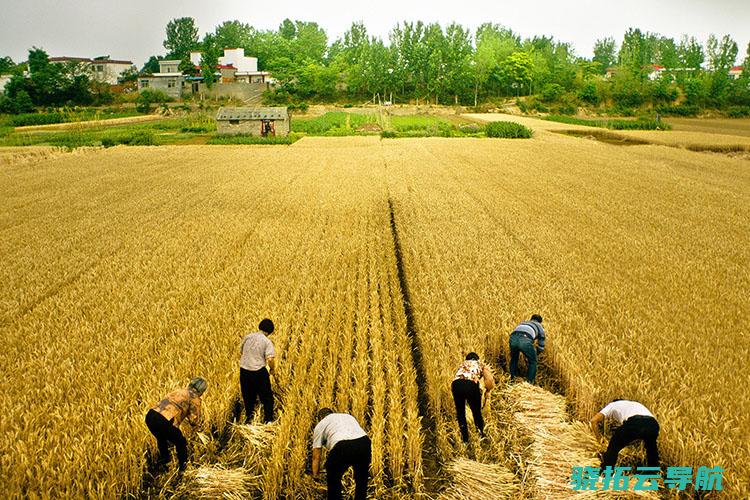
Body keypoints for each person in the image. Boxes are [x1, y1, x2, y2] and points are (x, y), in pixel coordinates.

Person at [145, 377, 207, 472]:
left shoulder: (179, 391)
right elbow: (194, 420)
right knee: (181, 442)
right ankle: (183, 468)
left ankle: (165, 465)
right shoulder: (195, 398)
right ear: (202, 391)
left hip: (151, 415)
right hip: (164, 420)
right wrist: (200, 429)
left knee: (162, 439)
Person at [311, 408, 371, 500]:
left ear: (320, 418)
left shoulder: (321, 424)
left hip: (342, 446)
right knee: (361, 479)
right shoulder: (348, 416)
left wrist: (315, 477)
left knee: (333, 476)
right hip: (364, 442)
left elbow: (316, 456)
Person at [590, 399, 660, 473]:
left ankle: (606, 472)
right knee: (651, 448)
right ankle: (654, 474)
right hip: (653, 424)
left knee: (614, 444)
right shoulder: (635, 404)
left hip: (636, 421)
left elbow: (593, 421)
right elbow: (639, 432)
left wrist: (600, 439)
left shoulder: (612, 405)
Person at [451, 352, 495, 443]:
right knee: (476, 411)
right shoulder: (480, 364)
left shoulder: (462, 365)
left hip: (456, 384)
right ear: (477, 359)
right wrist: (488, 391)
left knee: (460, 412)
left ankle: (465, 438)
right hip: (470, 385)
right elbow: (489, 380)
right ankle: (481, 433)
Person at [239, 318, 277, 423]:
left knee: (248, 396)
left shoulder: (248, 337)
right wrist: (272, 369)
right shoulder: (266, 341)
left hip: (244, 371)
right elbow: (270, 359)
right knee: (267, 397)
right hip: (258, 372)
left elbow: (241, 351)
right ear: (269, 331)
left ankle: (249, 418)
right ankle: (268, 420)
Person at [509, 314, 545, 384]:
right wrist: (536, 353)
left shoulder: (523, 322)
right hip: (525, 339)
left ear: (531, 319)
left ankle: (513, 379)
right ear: (540, 321)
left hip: (512, 338)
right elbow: (541, 344)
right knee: (533, 361)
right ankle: (529, 383)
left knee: (514, 359)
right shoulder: (539, 325)